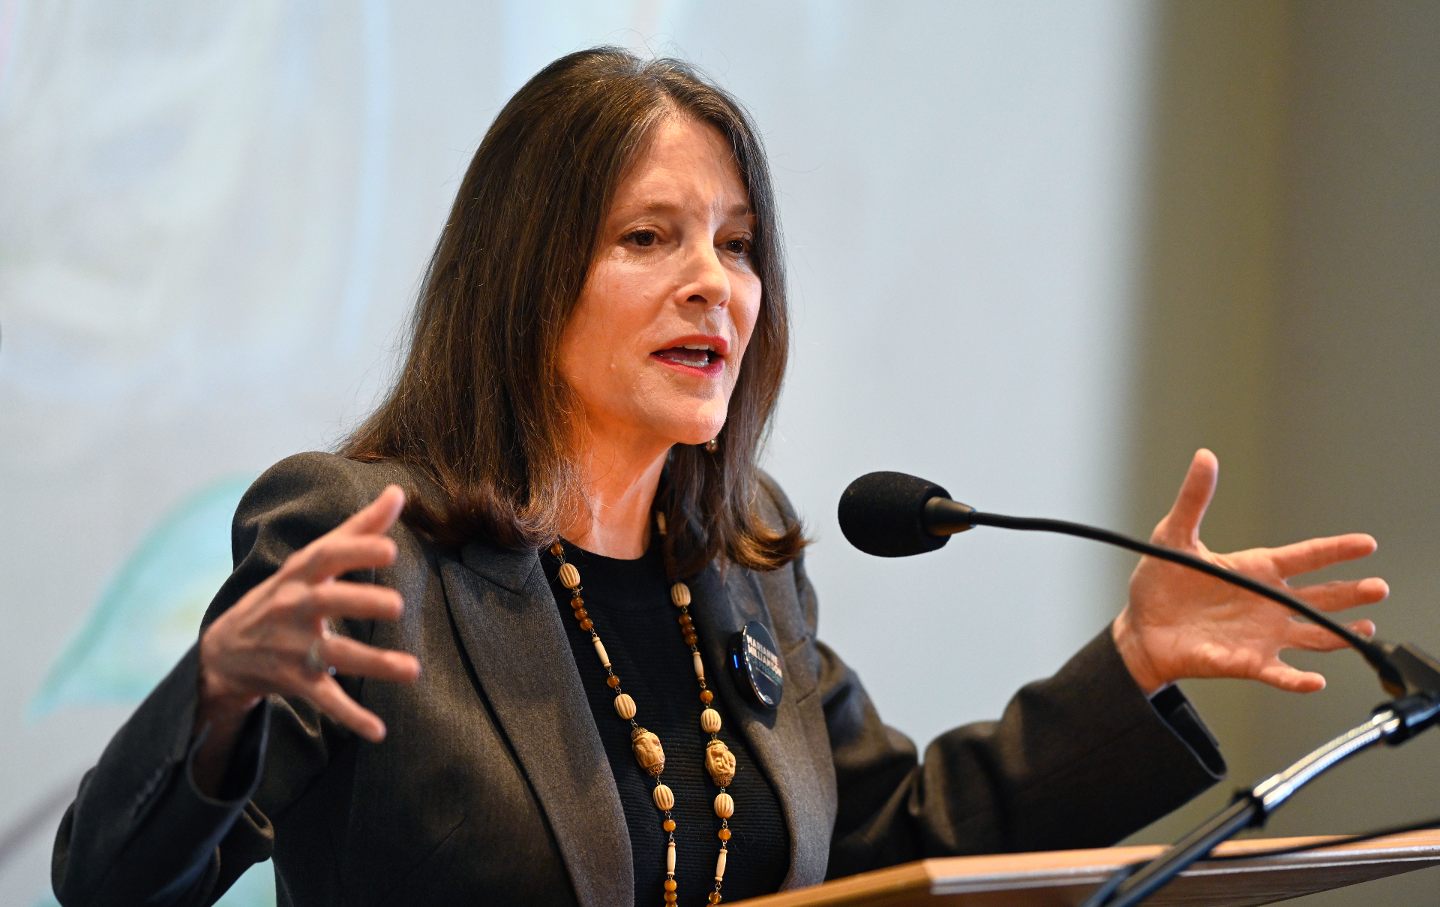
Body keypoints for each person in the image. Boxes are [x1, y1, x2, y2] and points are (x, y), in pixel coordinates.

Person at [51, 47, 1387, 907]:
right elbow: (116, 888)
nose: (716, 285)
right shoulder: (364, 538)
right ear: (525, 280)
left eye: (738, 245)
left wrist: (1132, 667)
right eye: (649, 236)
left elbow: (891, 844)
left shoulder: (740, 566)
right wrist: (219, 697)